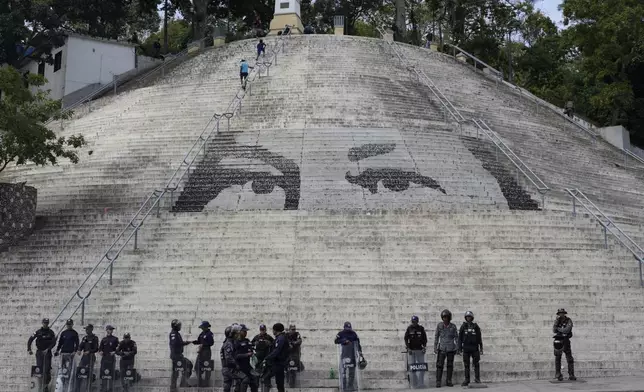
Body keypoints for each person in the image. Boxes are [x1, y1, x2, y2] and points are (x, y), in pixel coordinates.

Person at [27, 318, 56, 391]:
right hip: (40, 353)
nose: (45, 324)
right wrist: (29, 349)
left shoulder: (51, 332)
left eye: (47, 323)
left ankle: (45, 385)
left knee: (47, 370)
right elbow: (30, 339)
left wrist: (48, 349)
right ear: (42, 323)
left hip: (47, 353)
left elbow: (54, 342)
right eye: (44, 323)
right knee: (39, 370)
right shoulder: (38, 332)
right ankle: (39, 386)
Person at [334, 321, 362, 392]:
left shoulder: (354, 334)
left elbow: (358, 343)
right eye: (346, 329)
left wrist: (360, 353)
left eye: (349, 329)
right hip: (344, 355)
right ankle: (344, 387)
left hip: (352, 355)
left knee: (352, 372)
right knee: (343, 372)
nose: (348, 330)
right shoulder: (340, 333)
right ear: (344, 328)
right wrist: (344, 341)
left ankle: (350, 386)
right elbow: (336, 341)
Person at [434, 309, 459, 388]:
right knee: (439, 365)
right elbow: (436, 336)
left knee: (450, 365)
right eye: (444, 317)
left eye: (447, 317)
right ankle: (438, 381)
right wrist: (435, 347)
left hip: (451, 349)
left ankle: (449, 380)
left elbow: (457, 338)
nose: (445, 319)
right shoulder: (439, 325)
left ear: (449, 318)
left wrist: (457, 347)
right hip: (442, 348)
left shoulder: (453, 326)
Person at [459, 311, 483, 386]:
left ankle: (477, 378)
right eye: (467, 317)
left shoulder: (476, 326)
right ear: (465, 318)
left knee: (476, 364)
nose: (468, 318)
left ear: (472, 318)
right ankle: (467, 379)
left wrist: (481, 348)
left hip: (474, 348)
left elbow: (479, 338)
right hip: (466, 348)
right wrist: (459, 348)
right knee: (466, 365)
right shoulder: (463, 326)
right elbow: (460, 338)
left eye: (469, 317)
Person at [169, 319, 193, 392]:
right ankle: (175, 386)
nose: (180, 327)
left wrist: (185, 342)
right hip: (176, 356)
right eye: (179, 325)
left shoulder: (176, 333)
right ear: (175, 326)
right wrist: (183, 343)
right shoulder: (173, 334)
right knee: (178, 369)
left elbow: (179, 342)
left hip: (178, 355)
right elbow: (175, 344)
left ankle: (182, 383)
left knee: (187, 365)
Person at [264, 323, 289, 392]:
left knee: (266, 377)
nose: (272, 331)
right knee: (279, 384)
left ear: (276, 330)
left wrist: (267, 357)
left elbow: (277, 350)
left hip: (279, 363)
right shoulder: (279, 338)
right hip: (278, 363)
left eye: (273, 330)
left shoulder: (281, 338)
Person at [404, 315, 428, 388]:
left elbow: (425, 339)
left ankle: (421, 383)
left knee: (421, 368)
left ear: (417, 321)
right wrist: (408, 348)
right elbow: (406, 339)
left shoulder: (421, 329)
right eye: (413, 322)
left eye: (415, 321)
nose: (414, 323)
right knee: (412, 368)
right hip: (412, 351)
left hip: (420, 350)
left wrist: (424, 347)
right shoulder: (409, 329)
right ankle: (414, 384)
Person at [553, 308, 576, 381]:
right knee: (557, 358)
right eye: (560, 313)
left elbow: (567, 330)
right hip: (558, 340)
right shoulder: (557, 321)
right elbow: (554, 330)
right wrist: (556, 323)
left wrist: (559, 329)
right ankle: (558, 374)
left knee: (569, 358)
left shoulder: (568, 320)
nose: (561, 314)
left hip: (565, 339)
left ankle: (571, 374)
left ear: (564, 313)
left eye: (562, 313)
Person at [235, 324, 258, 392]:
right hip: (240, 367)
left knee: (254, 382)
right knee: (243, 383)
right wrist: (246, 354)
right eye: (244, 331)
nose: (245, 333)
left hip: (248, 366)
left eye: (246, 331)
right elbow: (235, 356)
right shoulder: (236, 342)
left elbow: (251, 349)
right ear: (239, 331)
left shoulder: (247, 341)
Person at [77, 324, 99, 392]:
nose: (86, 330)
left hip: (91, 357)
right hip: (84, 357)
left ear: (91, 329)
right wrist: (79, 350)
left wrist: (89, 352)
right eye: (85, 329)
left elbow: (96, 348)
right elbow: (81, 345)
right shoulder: (85, 338)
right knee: (80, 371)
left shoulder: (95, 338)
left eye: (87, 329)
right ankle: (78, 389)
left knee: (89, 373)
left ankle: (88, 389)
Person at [252, 324, 274, 389]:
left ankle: (267, 385)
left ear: (265, 330)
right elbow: (251, 344)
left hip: (266, 357)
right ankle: (256, 385)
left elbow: (274, 344)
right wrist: (255, 343)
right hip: (258, 357)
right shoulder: (256, 337)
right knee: (257, 373)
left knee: (267, 373)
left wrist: (269, 343)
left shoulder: (269, 337)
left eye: (263, 330)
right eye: (261, 330)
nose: (262, 331)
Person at [193, 321, 215, 387]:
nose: (202, 329)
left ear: (206, 327)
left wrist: (203, 345)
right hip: (201, 352)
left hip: (206, 352)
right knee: (197, 367)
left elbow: (211, 343)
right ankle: (200, 382)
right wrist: (193, 342)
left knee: (207, 368)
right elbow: (199, 341)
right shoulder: (202, 333)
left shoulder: (210, 334)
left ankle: (206, 383)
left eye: (203, 327)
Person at [99, 325, 119, 392]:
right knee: (103, 373)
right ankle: (103, 388)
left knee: (111, 374)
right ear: (106, 330)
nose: (110, 331)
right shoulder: (103, 339)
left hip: (111, 358)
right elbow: (100, 348)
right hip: (104, 358)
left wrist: (114, 352)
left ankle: (110, 388)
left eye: (111, 329)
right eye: (109, 329)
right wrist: (100, 351)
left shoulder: (115, 339)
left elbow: (119, 348)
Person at [221, 325, 238, 392]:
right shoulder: (229, 344)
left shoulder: (228, 342)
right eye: (235, 333)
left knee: (227, 385)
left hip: (227, 368)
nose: (236, 335)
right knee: (241, 380)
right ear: (231, 334)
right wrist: (236, 364)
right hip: (229, 368)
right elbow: (228, 357)